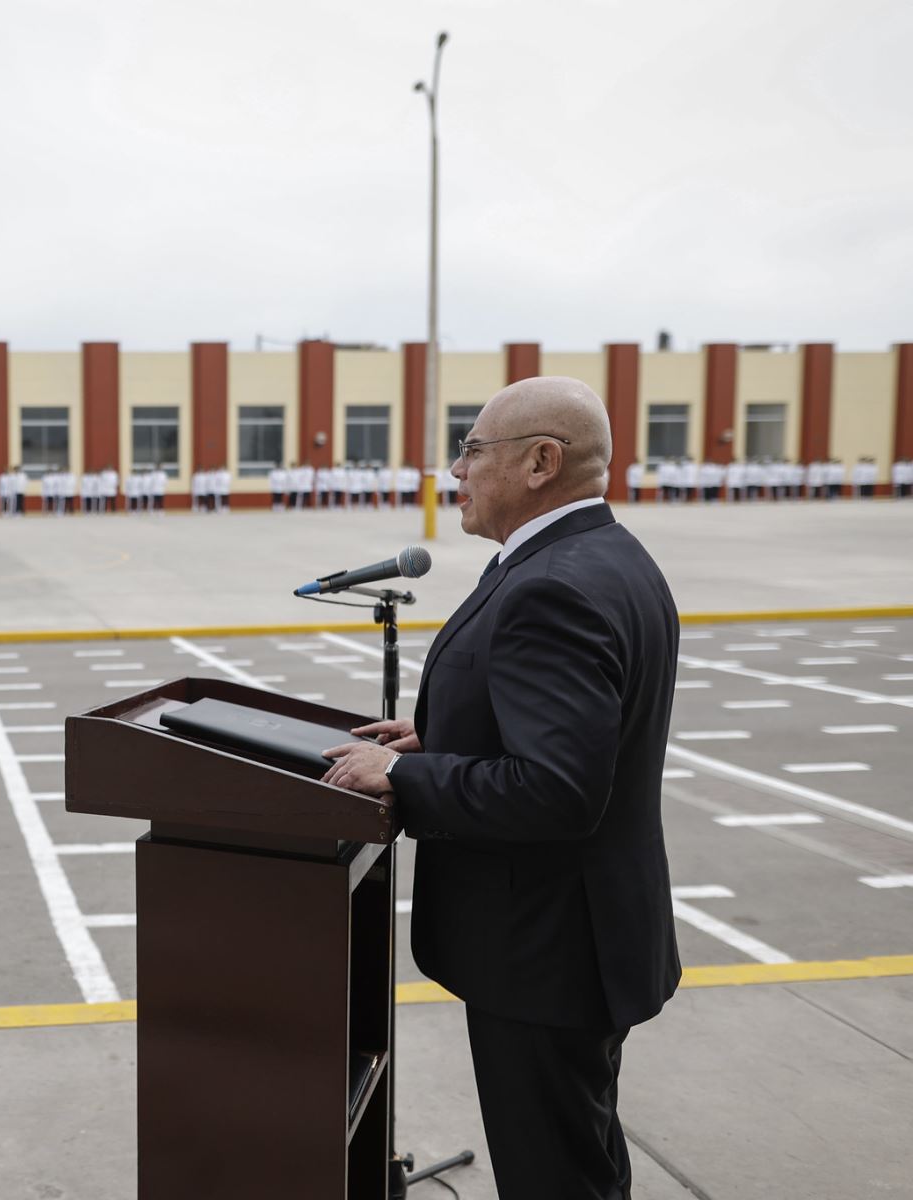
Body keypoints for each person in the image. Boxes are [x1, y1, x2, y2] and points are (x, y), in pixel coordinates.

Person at [323, 376, 680, 1200]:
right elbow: (584, 733)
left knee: (554, 1176)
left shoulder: (551, 586)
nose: (455, 471)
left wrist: (406, 773)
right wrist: (449, 736)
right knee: (582, 1154)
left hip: (546, 950)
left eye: (471, 451)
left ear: (540, 463)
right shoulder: (609, 557)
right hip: (578, 939)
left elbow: (556, 789)